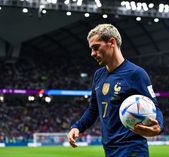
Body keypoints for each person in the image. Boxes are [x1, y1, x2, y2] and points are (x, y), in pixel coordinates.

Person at [67, 24, 164, 157]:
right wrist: (77, 126)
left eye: (96, 47)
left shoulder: (136, 73)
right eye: (91, 49)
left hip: (132, 149)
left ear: (112, 42)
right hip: (109, 149)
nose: (92, 53)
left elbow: (155, 106)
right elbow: (93, 109)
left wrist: (158, 127)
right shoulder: (98, 75)